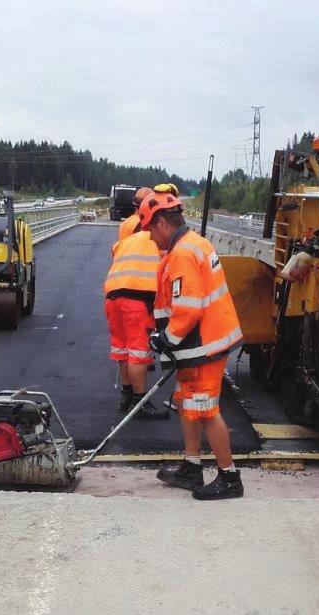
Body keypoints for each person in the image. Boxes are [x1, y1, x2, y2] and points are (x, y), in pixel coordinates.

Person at [139, 190, 245, 500]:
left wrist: (164, 339)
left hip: (203, 346)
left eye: (148, 229)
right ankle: (191, 466)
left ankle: (229, 477)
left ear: (162, 222)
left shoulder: (184, 253)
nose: (148, 237)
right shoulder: (193, 244)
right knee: (187, 403)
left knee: (205, 409)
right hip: (198, 344)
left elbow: (188, 307)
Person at [104, 228, 168, 419]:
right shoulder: (158, 242)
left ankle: (126, 396)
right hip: (137, 301)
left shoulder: (124, 242)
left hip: (112, 299)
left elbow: (114, 252)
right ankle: (140, 402)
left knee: (122, 349)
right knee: (139, 353)